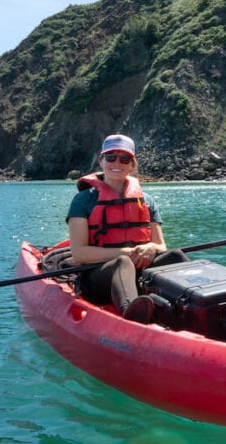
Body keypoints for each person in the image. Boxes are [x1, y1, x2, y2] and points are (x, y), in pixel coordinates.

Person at [66, 134, 188, 324]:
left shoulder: (146, 200)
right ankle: (132, 316)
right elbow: (79, 254)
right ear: (101, 161)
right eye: (111, 157)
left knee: (176, 256)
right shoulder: (83, 200)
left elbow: (161, 245)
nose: (117, 163)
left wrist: (151, 248)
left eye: (124, 158)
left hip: (141, 274)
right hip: (98, 277)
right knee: (122, 262)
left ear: (132, 165)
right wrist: (126, 253)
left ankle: (200, 306)